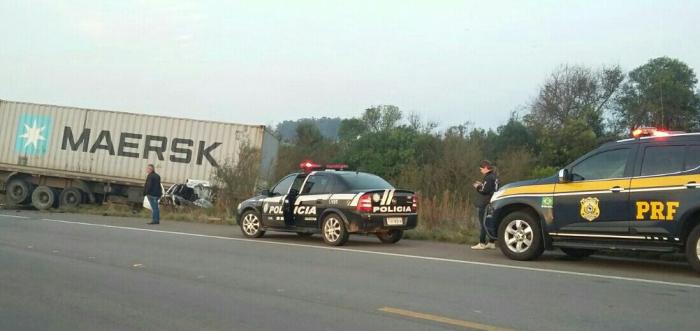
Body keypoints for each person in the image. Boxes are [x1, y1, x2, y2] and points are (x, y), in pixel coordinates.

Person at [471, 160, 499, 250]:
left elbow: (484, 191)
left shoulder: (488, 177)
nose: (481, 170)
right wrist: (482, 184)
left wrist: (478, 187)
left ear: (486, 168)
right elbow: (491, 188)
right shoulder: (495, 177)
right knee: (491, 222)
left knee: (483, 223)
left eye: (481, 168)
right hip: (493, 202)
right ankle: (491, 242)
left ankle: (482, 243)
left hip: (485, 203)